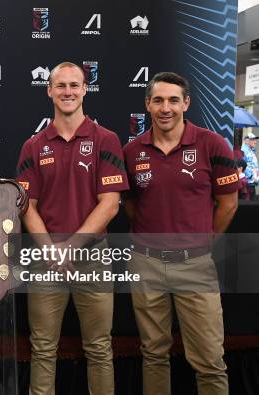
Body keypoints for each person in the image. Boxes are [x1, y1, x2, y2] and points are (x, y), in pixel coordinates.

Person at [15, 61, 129, 395]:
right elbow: (26, 206)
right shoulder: (33, 145)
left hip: (92, 258)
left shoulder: (106, 139)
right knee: (43, 348)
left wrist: (70, 247)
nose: (68, 92)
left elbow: (110, 203)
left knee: (98, 348)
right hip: (44, 259)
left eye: (74, 85)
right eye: (60, 85)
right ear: (49, 90)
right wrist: (51, 249)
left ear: (85, 90)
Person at [122, 72, 239, 395]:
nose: (166, 107)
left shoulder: (212, 144)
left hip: (196, 265)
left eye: (174, 100)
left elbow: (228, 204)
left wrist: (202, 242)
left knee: (210, 360)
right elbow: (132, 204)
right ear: (147, 104)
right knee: (153, 355)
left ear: (186, 103)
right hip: (146, 264)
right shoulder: (131, 151)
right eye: (158, 100)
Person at [241, 132, 258, 200]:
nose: (255, 141)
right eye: (253, 139)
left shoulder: (251, 150)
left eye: (255, 139)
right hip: (248, 182)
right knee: (248, 204)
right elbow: (243, 165)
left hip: (252, 181)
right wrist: (251, 176)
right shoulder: (244, 151)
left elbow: (253, 164)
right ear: (247, 141)